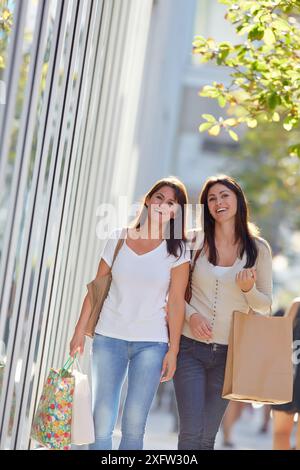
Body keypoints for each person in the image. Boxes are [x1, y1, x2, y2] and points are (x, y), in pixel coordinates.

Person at [69, 177, 190, 450]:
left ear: (176, 212)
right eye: (159, 197)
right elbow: (96, 289)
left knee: (134, 426)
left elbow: (176, 304)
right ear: (148, 200)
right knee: (101, 422)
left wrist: (173, 350)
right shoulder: (118, 238)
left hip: (152, 343)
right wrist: (79, 332)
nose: (163, 205)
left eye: (171, 202)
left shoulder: (178, 251)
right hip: (108, 337)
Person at [173, 174, 273, 450]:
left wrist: (248, 290)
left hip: (230, 354)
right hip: (190, 349)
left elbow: (265, 304)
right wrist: (191, 315)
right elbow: (174, 292)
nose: (218, 202)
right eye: (212, 198)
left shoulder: (258, 249)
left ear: (238, 200)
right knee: (191, 432)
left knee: (207, 436)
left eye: (224, 195)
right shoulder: (193, 242)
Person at [272, 298, 300, 450]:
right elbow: (280, 339)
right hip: (288, 377)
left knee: (281, 433)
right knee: (280, 433)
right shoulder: (297, 304)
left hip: (289, 375)